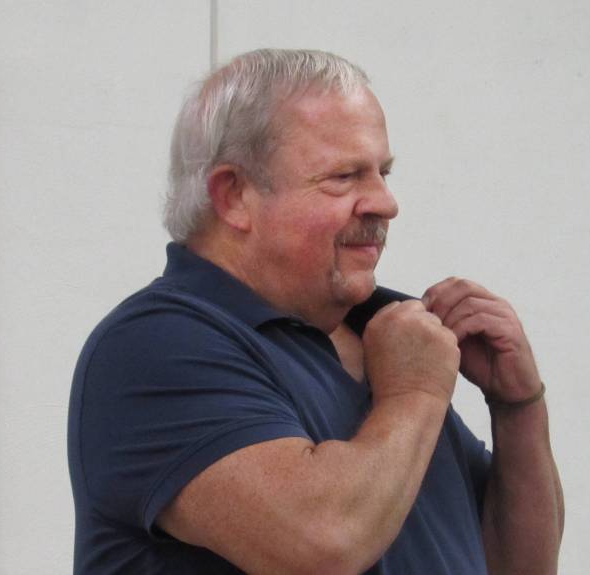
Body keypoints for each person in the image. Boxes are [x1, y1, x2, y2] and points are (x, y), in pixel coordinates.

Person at [68, 48, 563, 574]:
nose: (385, 203)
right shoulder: (155, 346)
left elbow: (518, 566)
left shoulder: (390, 337)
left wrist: (517, 407)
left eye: (384, 173)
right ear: (233, 195)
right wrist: (416, 391)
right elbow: (322, 544)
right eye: (344, 177)